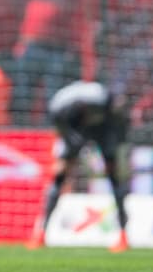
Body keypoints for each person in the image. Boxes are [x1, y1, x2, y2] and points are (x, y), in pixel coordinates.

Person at [28, 80, 131, 252]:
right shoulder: (59, 109)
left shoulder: (103, 102)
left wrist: (115, 148)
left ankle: (123, 235)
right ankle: (40, 232)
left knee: (114, 176)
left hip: (103, 128)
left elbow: (117, 112)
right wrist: (76, 153)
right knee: (60, 175)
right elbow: (66, 136)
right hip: (75, 128)